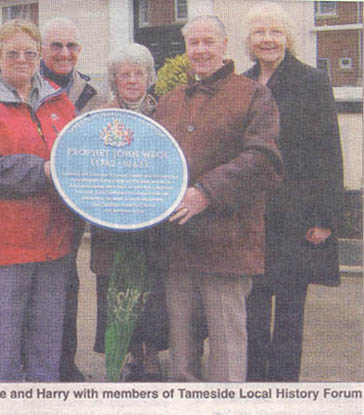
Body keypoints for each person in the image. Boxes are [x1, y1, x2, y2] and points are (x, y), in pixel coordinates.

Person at [154, 15, 283, 382]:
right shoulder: (169, 102)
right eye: (193, 43)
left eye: (208, 41)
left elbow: (263, 159)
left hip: (228, 247)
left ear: (225, 45)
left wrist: (206, 193)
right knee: (181, 359)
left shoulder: (254, 94)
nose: (200, 50)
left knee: (227, 358)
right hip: (177, 248)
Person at [0, 19, 77, 382]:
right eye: (12, 53)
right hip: (0, 253)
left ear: (39, 56)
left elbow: (77, 156)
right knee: (5, 359)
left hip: (53, 247)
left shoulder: (60, 101)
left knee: (46, 355)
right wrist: (41, 171)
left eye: (30, 53)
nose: (21, 60)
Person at [243, 2, 344, 382]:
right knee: (251, 310)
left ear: (288, 38)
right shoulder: (244, 81)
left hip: (297, 218)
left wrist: (325, 218)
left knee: (288, 313)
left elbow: (329, 152)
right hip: (252, 217)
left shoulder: (312, 81)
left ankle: (284, 389)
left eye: (276, 32)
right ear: (249, 41)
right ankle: (254, 386)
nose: (268, 39)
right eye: (260, 33)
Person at [89, 43, 168, 381]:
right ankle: (126, 355)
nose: (133, 80)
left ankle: (152, 357)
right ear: (115, 80)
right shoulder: (100, 115)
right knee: (117, 290)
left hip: (155, 222)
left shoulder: (165, 113)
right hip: (112, 223)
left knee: (154, 290)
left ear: (149, 78)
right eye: (125, 74)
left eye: (139, 73)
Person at [40, 16, 108, 382]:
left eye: (71, 46)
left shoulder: (91, 95)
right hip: (30, 202)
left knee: (66, 286)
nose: (65, 53)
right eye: (56, 46)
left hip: (69, 211)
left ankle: (64, 365)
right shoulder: (24, 84)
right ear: (42, 50)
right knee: (30, 288)